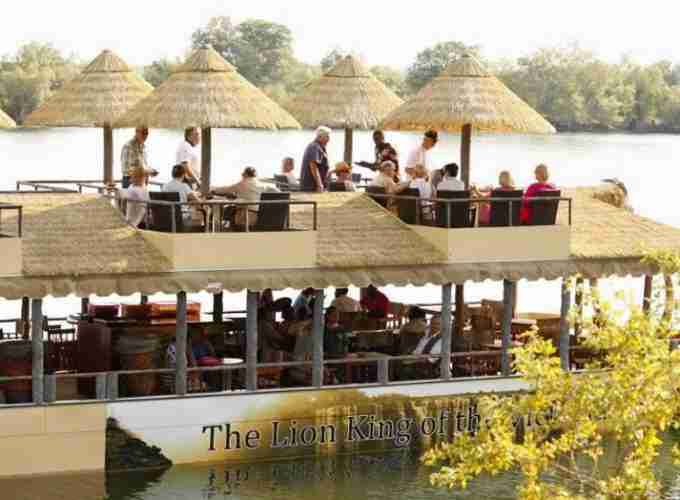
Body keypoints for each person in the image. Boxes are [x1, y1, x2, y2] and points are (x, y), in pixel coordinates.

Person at [211, 167, 279, 228]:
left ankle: (223, 228)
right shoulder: (261, 184)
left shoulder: (242, 183)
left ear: (245, 174)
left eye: (243, 174)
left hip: (244, 215)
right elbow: (276, 190)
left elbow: (225, 189)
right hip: (256, 215)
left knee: (228, 210)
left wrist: (213, 190)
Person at [300, 126, 331, 192]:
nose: (329, 139)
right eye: (327, 137)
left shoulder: (321, 147)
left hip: (316, 186)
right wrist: (319, 184)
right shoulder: (314, 147)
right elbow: (313, 166)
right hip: (311, 187)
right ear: (319, 137)